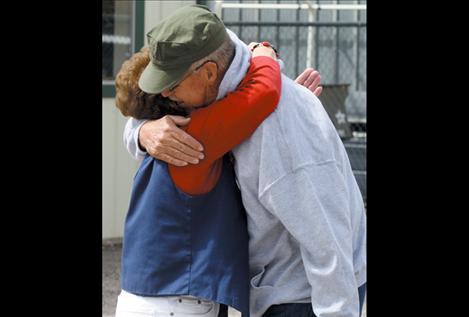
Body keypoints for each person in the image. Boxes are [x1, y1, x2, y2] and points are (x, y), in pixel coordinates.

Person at [125, 4, 367, 317]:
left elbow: (326, 241)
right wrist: (142, 130)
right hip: (271, 287)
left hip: (305, 296)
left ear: (210, 72)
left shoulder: (273, 130)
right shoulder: (210, 98)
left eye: (172, 84)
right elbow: (150, 108)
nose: (167, 96)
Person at [114, 7, 284, 317]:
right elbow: (264, 91)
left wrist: (139, 130)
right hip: (178, 303)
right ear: (169, 99)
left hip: (141, 298)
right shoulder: (194, 134)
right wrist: (264, 51)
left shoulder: (162, 137)